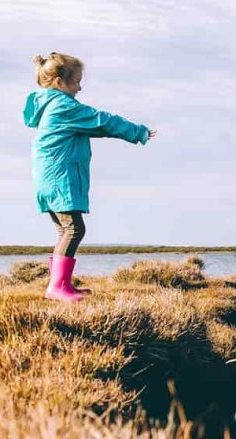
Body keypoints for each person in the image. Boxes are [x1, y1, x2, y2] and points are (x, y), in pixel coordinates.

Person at [24, 52, 157, 303]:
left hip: (48, 178)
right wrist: (137, 131)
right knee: (74, 229)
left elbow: (96, 128)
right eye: (76, 81)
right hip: (59, 177)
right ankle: (57, 287)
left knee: (65, 229)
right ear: (59, 82)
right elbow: (101, 121)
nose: (79, 86)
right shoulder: (64, 106)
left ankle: (61, 285)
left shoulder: (50, 106)